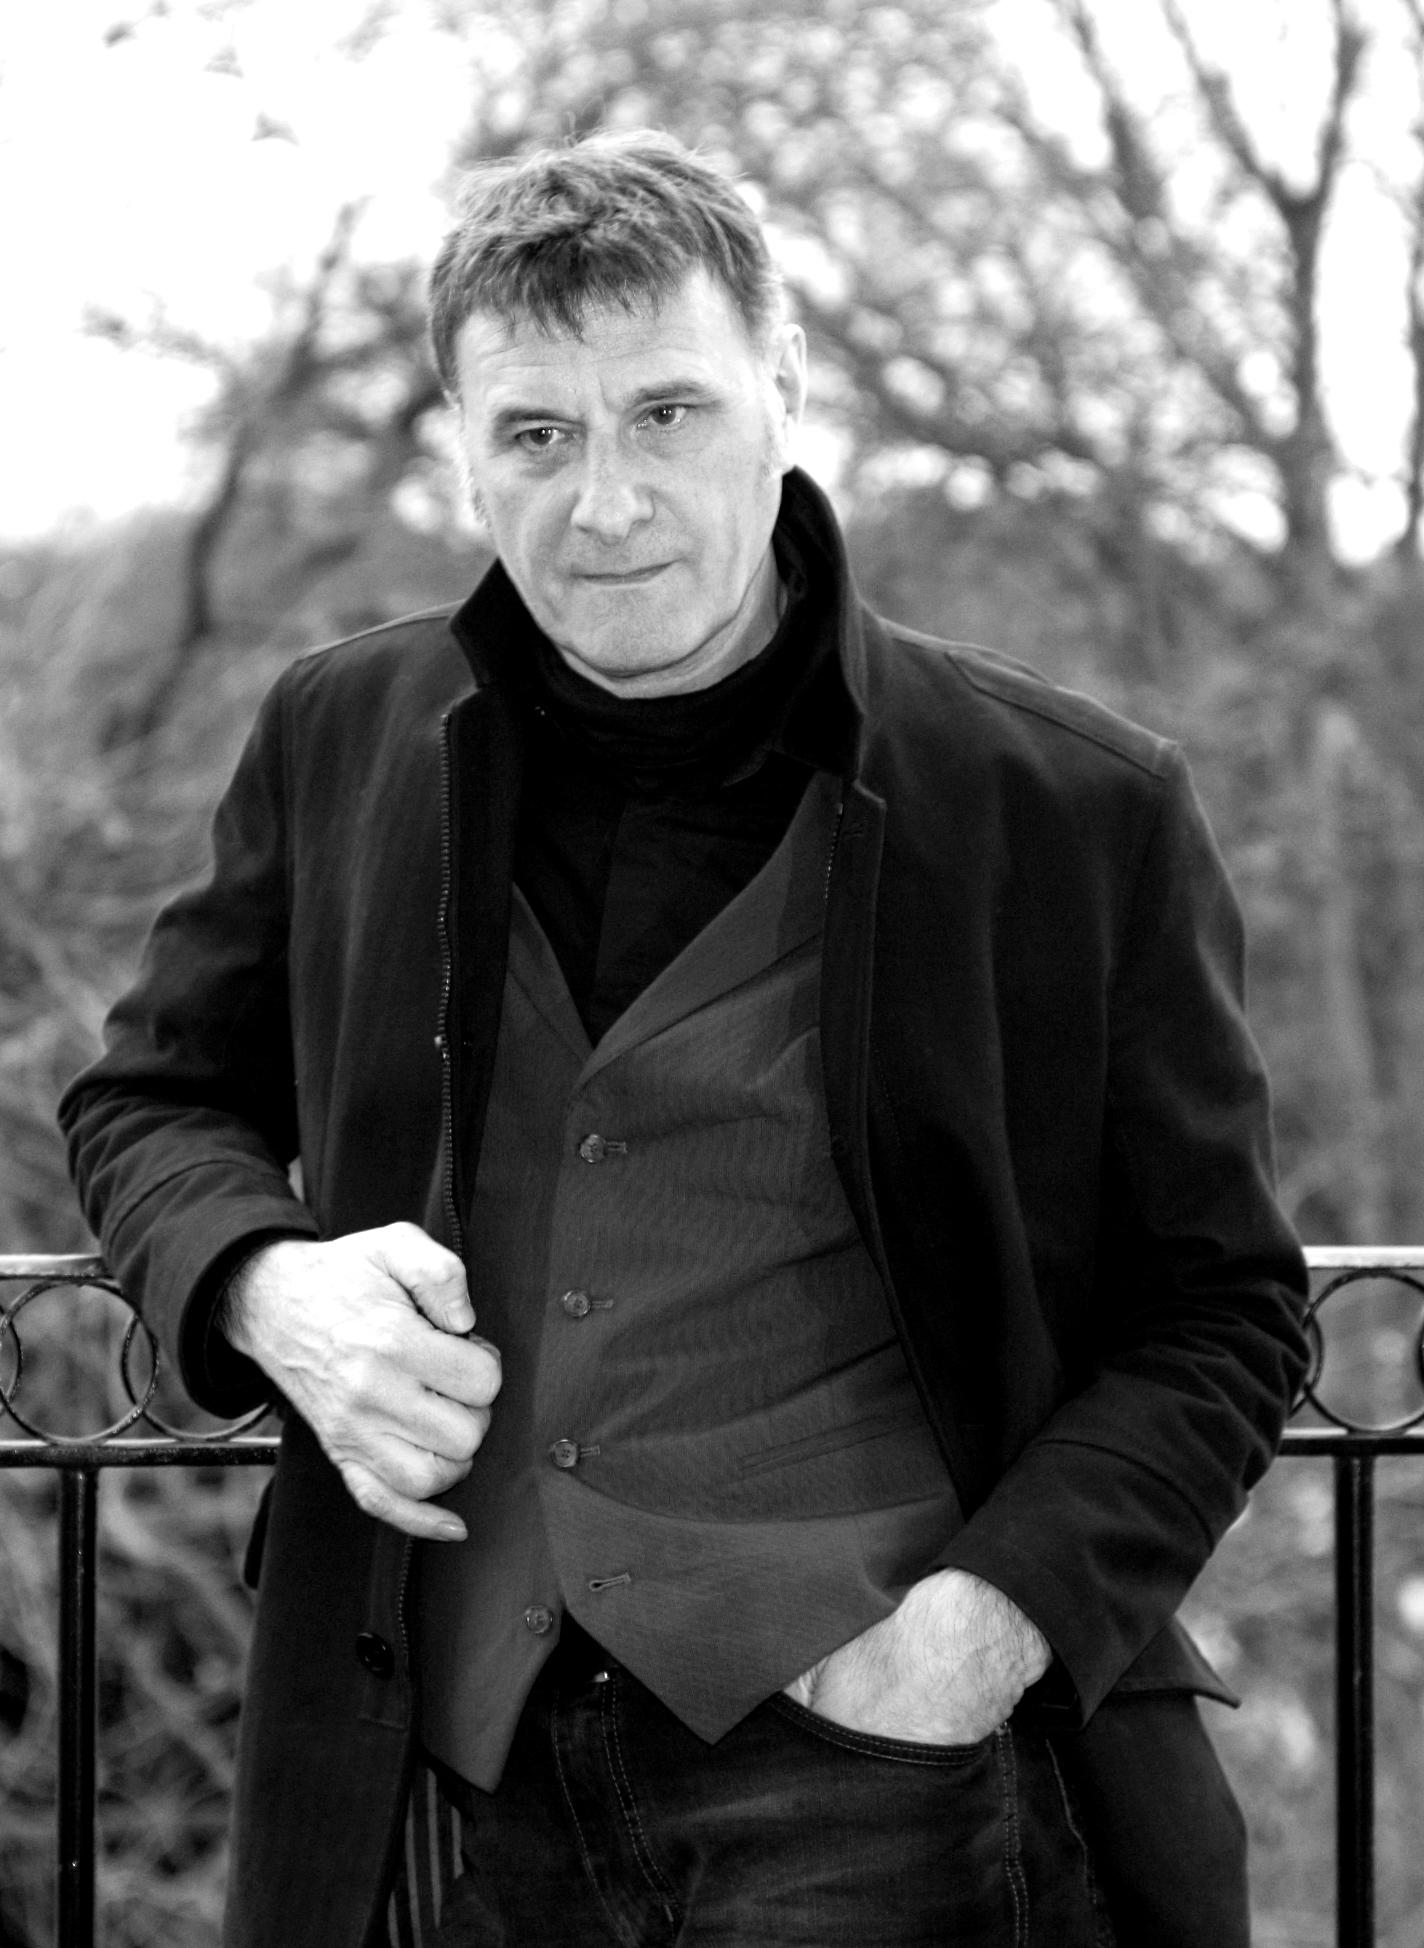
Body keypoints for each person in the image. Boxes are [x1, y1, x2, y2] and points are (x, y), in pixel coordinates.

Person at [60, 130, 1308, 1948]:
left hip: (897, 1776)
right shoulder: (338, 732)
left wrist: (981, 1636)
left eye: (667, 414)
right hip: (438, 1772)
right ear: (463, 448)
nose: (606, 502)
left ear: (783, 393)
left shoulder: (1067, 803)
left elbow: (1226, 1308)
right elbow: (150, 1099)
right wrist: (265, 1288)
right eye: (536, 435)